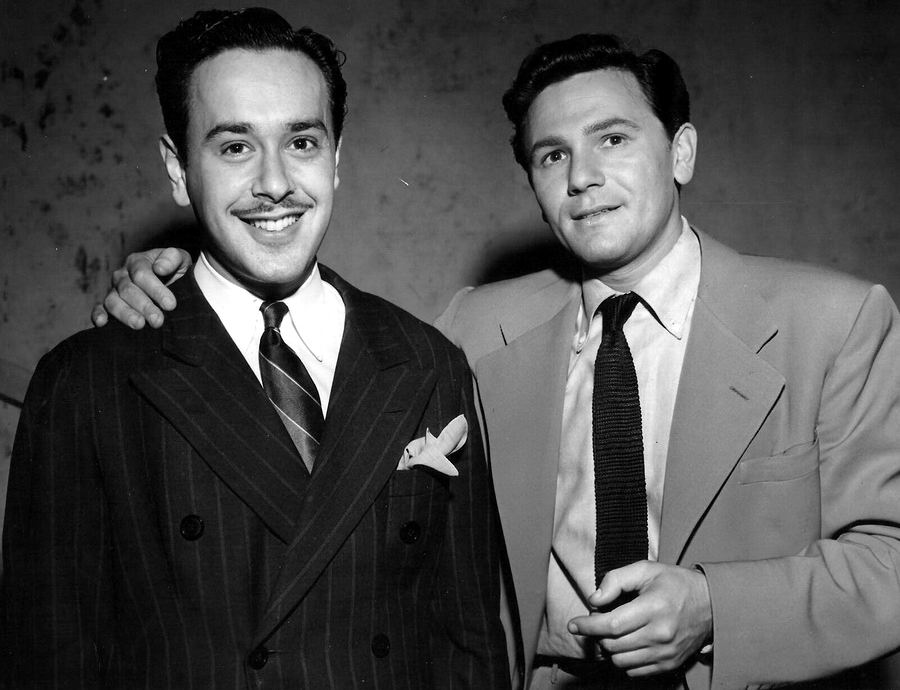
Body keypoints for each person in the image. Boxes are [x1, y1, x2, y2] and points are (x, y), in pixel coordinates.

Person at [91, 32, 900, 689]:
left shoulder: (833, 321)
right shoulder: (472, 329)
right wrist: (179, 285)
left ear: (681, 151)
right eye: (551, 156)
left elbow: (892, 562)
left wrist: (717, 607)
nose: (583, 177)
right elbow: (310, 353)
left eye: (613, 139)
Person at [1, 8, 510, 689]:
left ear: (336, 158)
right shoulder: (86, 382)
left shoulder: (428, 363)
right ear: (178, 168)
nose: (275, 183)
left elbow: (470, 652)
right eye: (235, 147)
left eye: (301, 142)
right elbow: (48, 659)